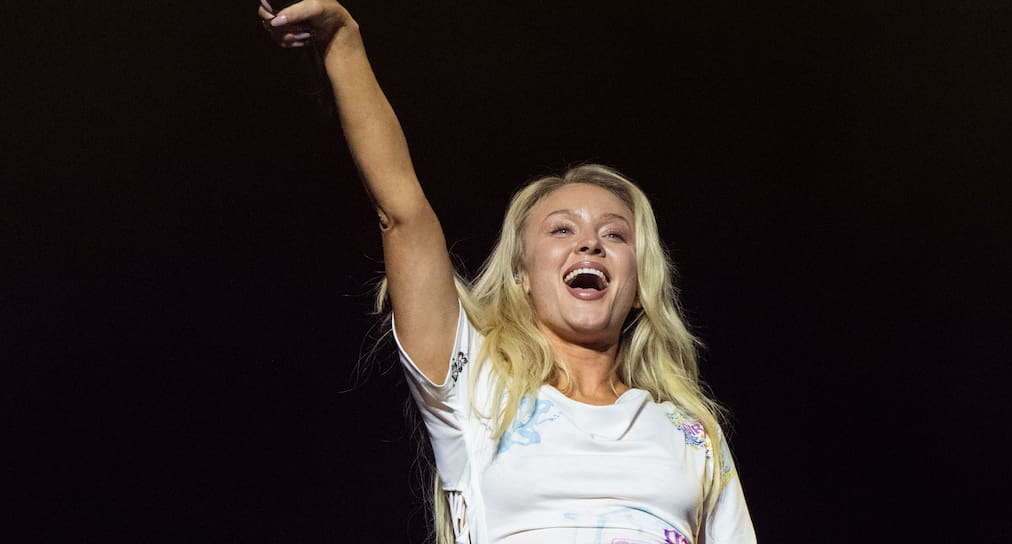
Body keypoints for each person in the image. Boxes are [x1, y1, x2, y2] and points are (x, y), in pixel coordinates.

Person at [257, 1, 758, 542]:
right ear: (522, 273)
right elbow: (401, 212)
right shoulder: (476, 389)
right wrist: (342, 41)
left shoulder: (690, 433)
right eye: (561, 230)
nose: (589, 242)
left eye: (615, 234)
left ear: (640, 288)